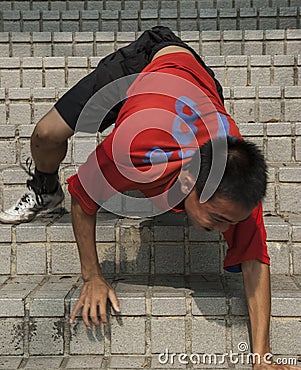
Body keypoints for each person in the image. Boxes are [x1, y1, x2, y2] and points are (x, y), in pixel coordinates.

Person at [0, 27, 298, 370]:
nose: (220, 229)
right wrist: (93, 277)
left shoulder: (239, 181)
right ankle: (43, 189)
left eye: (229, 222)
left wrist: (262, 356)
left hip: (194, 79)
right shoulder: (135, 148)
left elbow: (256, 261)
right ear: (188, 180)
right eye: (216, 218)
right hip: (141, 66)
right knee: (46, 134)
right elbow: (82, 197)